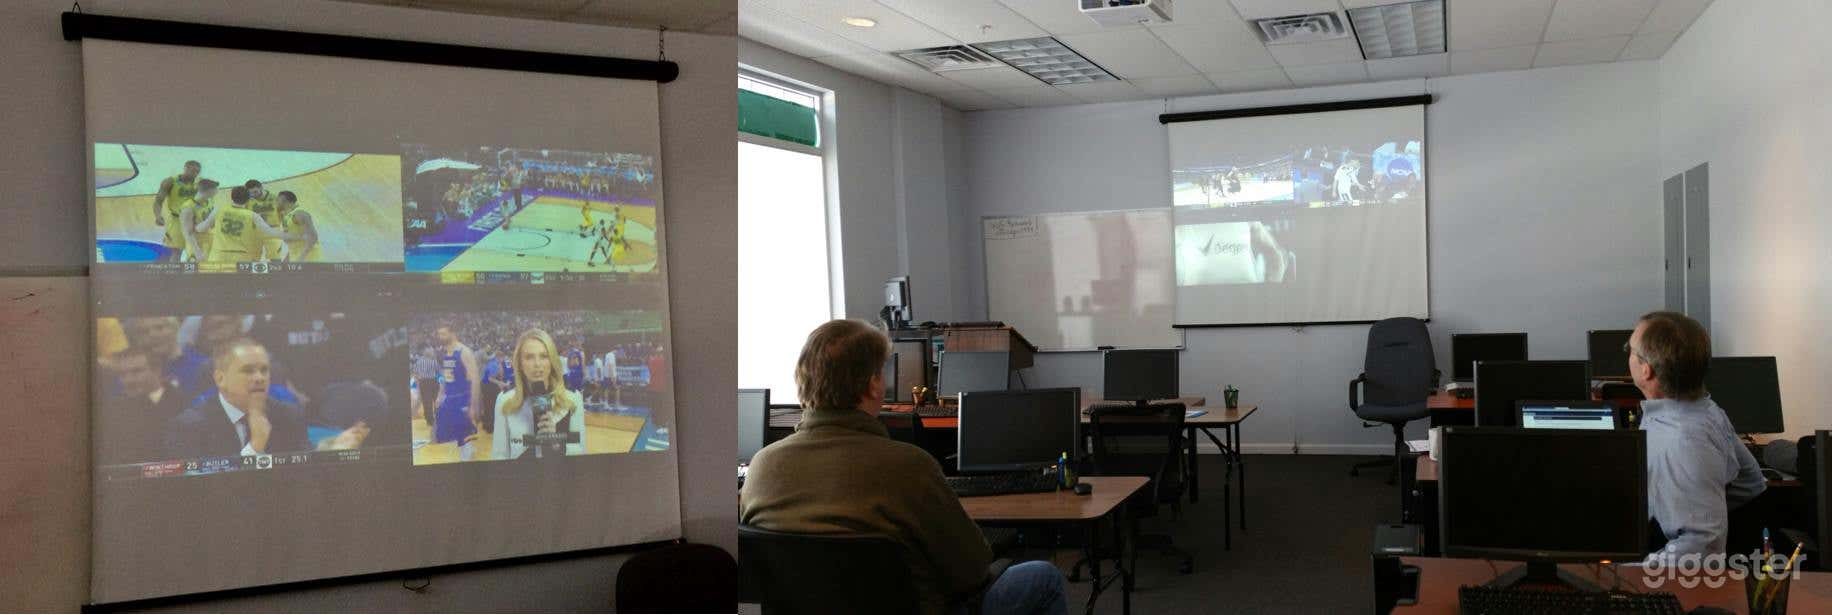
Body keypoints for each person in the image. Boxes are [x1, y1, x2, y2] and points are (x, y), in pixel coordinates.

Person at [740, 320, 1067, 615]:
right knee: (1043, 576)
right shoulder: (909, 465)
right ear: (871, 386)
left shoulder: (761, 467)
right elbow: (973, 570)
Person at [1631, 311, 1766, 563]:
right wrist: (1709, 503)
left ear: (1646, 370)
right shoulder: (1705, 409)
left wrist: (1629, 571)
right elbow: (1751, 481)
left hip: (1667, 576)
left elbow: (1701, 546)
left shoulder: (1683, 440)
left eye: (1630, 349)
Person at [163, 337, 309, 459]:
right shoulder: (189, 427)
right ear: (220, 379)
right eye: (248, 371)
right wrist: (254, 447)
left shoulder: (289, 415)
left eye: (264, 370)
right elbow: (199, 487)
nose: (259, 378)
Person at [492, 329, 585, 459]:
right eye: (529, 357)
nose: (537, 364)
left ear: (552, 361)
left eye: (544, 356)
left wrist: (556, 442)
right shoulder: (505, 400)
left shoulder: (572, 398)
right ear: (519, 364)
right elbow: (499, 455)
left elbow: (580, 452)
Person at [101, 348, 186, 465]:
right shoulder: (113, 411)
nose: (128, 380)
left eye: (136, 372)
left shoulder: (183, 403)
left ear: (156, 370)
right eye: (122, 374)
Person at [198, 186, 291, 263]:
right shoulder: (253, 216)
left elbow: (202, 228)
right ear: (248, 200)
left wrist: (194, 227)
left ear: (231, 197)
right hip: (242, 257)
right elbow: (270, 232)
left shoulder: (219, 210)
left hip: (218, 256)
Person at [433, 323, 483, 460]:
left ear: (452, 333)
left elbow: (475, 379)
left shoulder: (464, 351)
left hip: (463, 397)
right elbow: (445, 376)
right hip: (450, 398)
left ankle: (466, 454)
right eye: (439, 334)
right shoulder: (445, 353)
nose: (440, 337)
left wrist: (474, 405)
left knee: (463, 429)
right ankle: (467, 450)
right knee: (453, 429)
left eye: (443, 333)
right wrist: (439, 395)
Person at [153, 161, 202, 262]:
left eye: (197, 171)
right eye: (193, 171)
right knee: (177, 251)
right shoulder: (170, 182)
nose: (195, 174)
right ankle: (174, 275)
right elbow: (158, 201)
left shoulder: (199, 183)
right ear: (185, 168)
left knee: (195, 251)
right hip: (177, 221)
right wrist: (158, 216)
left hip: (194, 221)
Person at [178, 179, 221, 262]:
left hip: (209, 241)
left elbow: (210, 222)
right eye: (215, 189)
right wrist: (197, 252)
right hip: (197, 244)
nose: (217, 191)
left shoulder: (209, 201)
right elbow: (187, 233)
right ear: (209, 191)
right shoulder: (188, 208)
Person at [277, 191, 321, 262]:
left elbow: (313, 237)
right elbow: (294, 244)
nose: (276, 204)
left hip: (309, 259)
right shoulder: (287, 217)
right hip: (296, 257)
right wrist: (286, 260)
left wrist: (301, 258)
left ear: (286, 202)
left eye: (277, 201)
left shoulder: (299, 214)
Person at [412, 348, 441, 428]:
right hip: (433, 381)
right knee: (436, 400)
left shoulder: (419, 362)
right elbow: (438, 372)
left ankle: (429, 420)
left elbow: (415, 374)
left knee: (426, 401)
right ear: (429, 354)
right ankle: (439, 417)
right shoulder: (433, 361)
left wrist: (418, 384)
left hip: (423, 382)